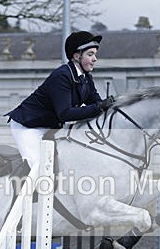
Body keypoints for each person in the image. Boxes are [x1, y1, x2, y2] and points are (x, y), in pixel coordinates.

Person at [6, 30, 114, 169]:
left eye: (95, 54)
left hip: (51, 127)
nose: (95, 59)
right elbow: (65, 113)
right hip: (29, 126)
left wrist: (111, 105)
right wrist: (98, 107)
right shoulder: (62, 76)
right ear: (76, 56)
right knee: (39, 167)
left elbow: (96, 104)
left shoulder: (86, 77)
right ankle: (21, 190)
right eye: (90, 54)